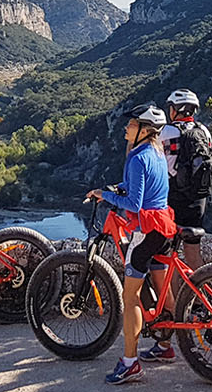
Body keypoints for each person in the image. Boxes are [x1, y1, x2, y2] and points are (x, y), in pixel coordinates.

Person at [87, 103, 176, 385]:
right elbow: (143, 188)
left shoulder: (137, 158)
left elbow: (134, 205)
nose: (127, 128)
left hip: (146, 231)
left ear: (145, 130)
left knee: (130, 298)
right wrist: (118, 187)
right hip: (164, 227)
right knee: (164, 290)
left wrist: (105, 194)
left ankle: (130, 362)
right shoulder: (157, 153)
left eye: (132, 124)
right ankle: (164, 346)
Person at [139, 88, 212, 363]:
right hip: (199, 203)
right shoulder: (204, 131)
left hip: (173, 203)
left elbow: (156, 166)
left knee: (159, 263)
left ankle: (165, 340)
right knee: (192, 257)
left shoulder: (167, 133)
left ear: (174, 110)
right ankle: (202, 305)